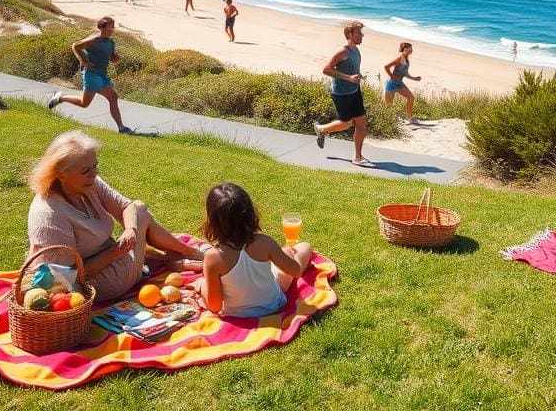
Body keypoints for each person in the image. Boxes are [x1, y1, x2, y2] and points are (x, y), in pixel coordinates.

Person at [26, 130, 206, 300]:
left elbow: (126, 206)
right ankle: (185, 255)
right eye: (86, 171)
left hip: (111, 258)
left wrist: (130, 229)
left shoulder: (88, 184)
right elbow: (63, 278)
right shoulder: (49, 215)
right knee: (141, 211)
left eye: (95, 166)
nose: (94, 174)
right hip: (97, 283)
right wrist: (114, 252)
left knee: (138, 210)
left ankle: (178, 256)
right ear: (60, 174)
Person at [193, 183, 312, 317]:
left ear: (212, 221)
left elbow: (214, 307)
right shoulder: (265, 242)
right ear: (250, 213)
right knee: (304, 246)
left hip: (236, 315)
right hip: (273, 305)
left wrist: (203, 285)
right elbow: (296, 271)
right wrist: (287, 256)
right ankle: (285, 253)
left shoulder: (213, 257)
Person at [47, 16, 134, 134]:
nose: (113, 28)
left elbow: (112, 57)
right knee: (84, 103)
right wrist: (83, 61)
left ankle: (122, 128)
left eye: (113, 26)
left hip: (102, 75)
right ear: (102, 27)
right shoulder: (94, 40)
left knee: (113, 97)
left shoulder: (110, 42)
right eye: (110, 26)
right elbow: (75, 46)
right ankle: (60, 97)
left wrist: (115, 58)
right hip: (92, 75)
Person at [313, 20, 373, 167]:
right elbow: (326, 69)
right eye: (358, 33)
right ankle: (321, 129)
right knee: (347, 123)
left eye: (361, 32)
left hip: (355, 90)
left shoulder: (356, 50)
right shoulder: (342, 51)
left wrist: (357, 76)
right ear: (350, 35)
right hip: (342, 93)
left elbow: (352, 69)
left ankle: (357, 157)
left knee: (361, 122)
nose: (362, 35)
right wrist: (348, 78)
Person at [383, 42, 422, 123]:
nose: (410, 50)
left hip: (399, 84)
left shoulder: (406, 60)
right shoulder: (399, 59)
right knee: (388, 107)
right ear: (403, 49)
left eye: (411, 48)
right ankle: (387, 122)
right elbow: (386, 67)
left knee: (411, 97)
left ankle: (409, 118)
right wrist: (392, 76)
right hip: (391, 84)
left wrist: (414, 78)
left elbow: (405, 73)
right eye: (408, 48)